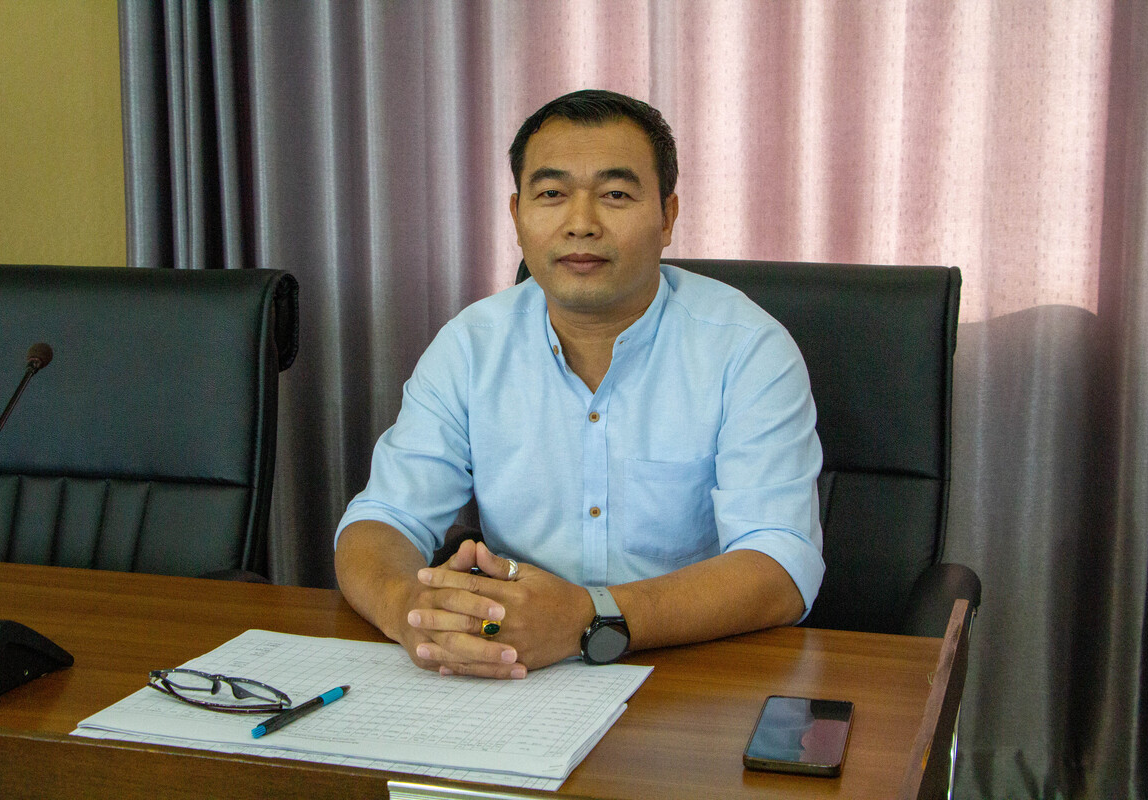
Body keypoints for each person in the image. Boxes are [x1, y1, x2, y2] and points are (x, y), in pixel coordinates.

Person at [334, 89, 824, 679]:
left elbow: (781, 565)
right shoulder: (471, 347)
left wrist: (589, 618)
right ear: (517, 217)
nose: (581, 224)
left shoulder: (747, 349)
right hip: (516, 669)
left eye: (615, 195)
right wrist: (410, 611)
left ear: (667, 217)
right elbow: (383, 519)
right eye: (551, 194)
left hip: (695, 670)